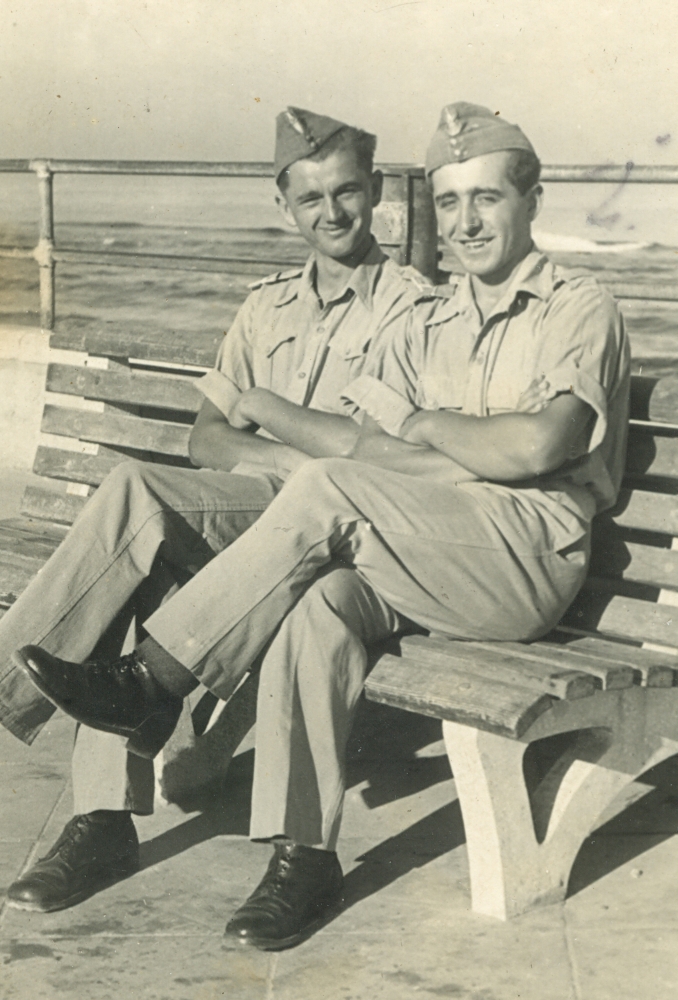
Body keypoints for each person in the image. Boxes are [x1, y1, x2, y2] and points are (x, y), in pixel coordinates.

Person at [15, 102, 630, 951]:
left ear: (531, 198)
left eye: (487, 199)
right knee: (321, 597)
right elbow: (373, 445)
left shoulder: (577, 307)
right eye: (449, 205)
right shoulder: (437, 319)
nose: (465, 222)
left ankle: (151, 679)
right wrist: (462, 450)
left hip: (523, 556)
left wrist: (434, 436)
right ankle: (303, 855)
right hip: (408, 538)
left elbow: (540, 445)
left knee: (326, 492)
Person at [1, 106, 430, 914]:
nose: (331, 214)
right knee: (136, 504)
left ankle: (59, 756)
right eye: (310, 200)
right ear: (284, 208)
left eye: (346, 193)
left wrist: (308, 473)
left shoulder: (415, 309)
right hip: (259, 508)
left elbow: (393, 459)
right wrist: (288, 460)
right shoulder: (265, 306)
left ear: (375, 193)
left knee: (138, 531)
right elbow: (206, 438)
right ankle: (98, 820)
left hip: (337, 536)